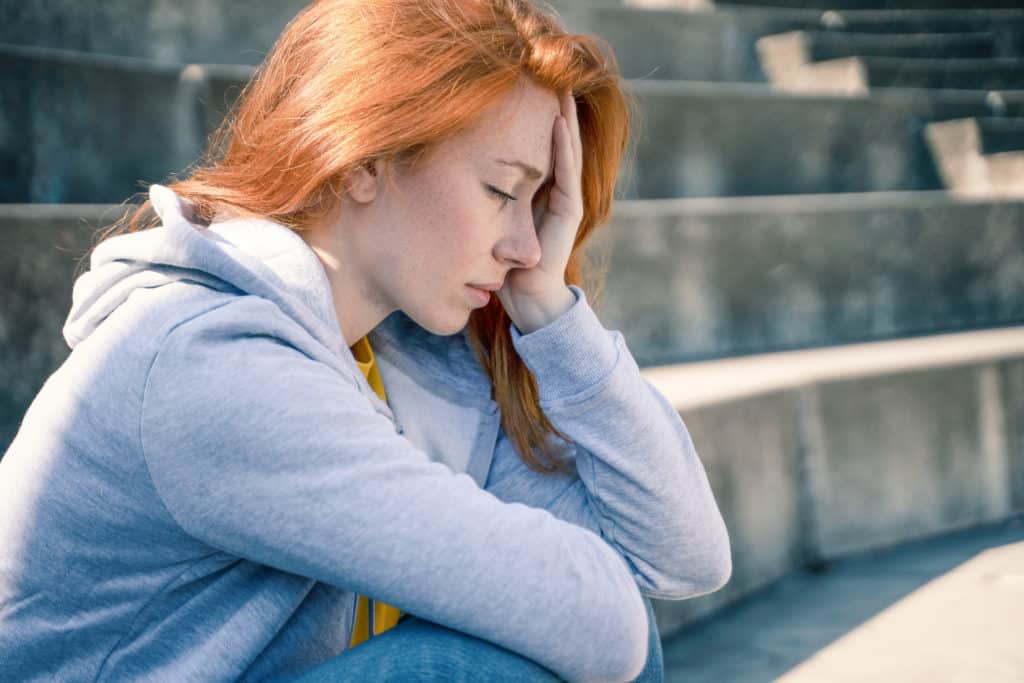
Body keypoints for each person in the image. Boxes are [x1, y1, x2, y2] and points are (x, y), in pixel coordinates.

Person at [0, 0, 732, 681]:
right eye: (503, 191)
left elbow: (680, 558)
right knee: (466, 665)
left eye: (539, 206)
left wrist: (552, 314)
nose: (526, 247)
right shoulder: (210, 361)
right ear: (364, 162)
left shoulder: (413, 360)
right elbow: (605, 626)